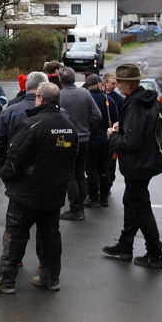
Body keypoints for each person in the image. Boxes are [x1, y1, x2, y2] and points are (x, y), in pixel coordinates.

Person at [0, 83, 78, 294]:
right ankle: (50, 278)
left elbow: (15, 158)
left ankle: (5, 280)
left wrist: (6, 176)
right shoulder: (68, 124)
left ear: (40, 99)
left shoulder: (32, 124)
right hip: (54, 192)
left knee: (15, 235)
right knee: (50, 235)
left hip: (27, 192)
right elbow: (73, 157)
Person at [102, 64, 162, 268]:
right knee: (132, 202)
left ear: (128, 84)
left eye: (120, 83)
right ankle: (125, 245)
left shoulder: (136, 105)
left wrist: (113, 135)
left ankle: (155, 253)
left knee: (140, 208)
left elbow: (130, 143)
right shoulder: (149, 100)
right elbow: (142, 130)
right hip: (146, 162)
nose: (118, 86)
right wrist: (123, 127)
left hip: (137, 165)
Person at [57, 67, 101, 221]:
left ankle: (76, 208)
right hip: (84, 139)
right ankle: (79, 205)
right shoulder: (85, 93)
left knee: (69, 173)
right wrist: (87, 127)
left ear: (61, 81)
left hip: (66, 139)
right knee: (80, 172)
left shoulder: (59, 95)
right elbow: (97, 115)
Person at [85, 74, 118, 207]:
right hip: (106, 140)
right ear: (99, 84)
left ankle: (93, 198)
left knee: (91, 170)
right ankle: (104, 198)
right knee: (104, 170)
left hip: (90, 140)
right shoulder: (108, 99)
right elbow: (116, 120)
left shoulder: (86, 100)